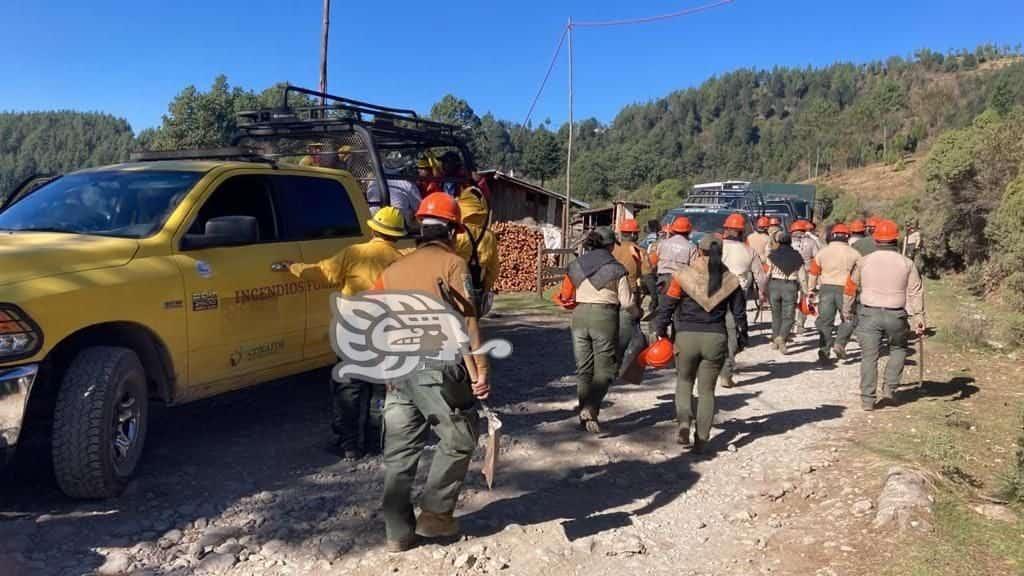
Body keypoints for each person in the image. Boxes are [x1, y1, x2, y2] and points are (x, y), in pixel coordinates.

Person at [371, 192, 490, 552]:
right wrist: (480, 371)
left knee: (400, 453)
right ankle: (435, 517)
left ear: (420, 228)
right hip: (436, 364)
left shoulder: (391, 270)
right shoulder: (453, 265)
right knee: (459, 438)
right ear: (453, 231)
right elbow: (468, 320)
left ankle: (397, 533)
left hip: (397, 368)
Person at [288, 207, 407, 459]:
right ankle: (377, 441)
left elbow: (322, 273)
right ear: (397, 235)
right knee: (380, 390)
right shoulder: (402, 260)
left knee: (349, 388)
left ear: (373, 228)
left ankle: (349, 444)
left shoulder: (355, 253)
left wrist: (293, 266)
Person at [655, 235, 748, 454]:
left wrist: (661, 329)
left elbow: (667, 306)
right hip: (715, 338)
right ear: (721, 252)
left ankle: (684, 423)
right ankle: (703, 439)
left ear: (698, 251)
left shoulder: (682, 276)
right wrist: (743, 337)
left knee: (684, 382)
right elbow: (739, 314)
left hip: (686, 336)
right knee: (707, 391)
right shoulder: (730, 280)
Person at [554, 227, 637, 434]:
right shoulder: (617, 269)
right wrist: (637, 311)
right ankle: (591, 407)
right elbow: (626, 302)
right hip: (604, 317)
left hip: (579, 316)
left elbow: (566, 295)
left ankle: (585, 416)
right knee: (606, 369)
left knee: (584, 369)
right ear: (610, 246)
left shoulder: (576, 265)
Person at [843, 219, 925, 411]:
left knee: (869, 357)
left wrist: (847, 310)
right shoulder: (907, 263)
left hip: (869, 314)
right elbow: (915, 291)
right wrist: (919, 318)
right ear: (896, 239)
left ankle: (867, 400)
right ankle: (890, 388)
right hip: (896, 315)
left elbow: (850, 288)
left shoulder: (864, 261)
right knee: (898, 349)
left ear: (876, 240)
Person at [719, 213, 766, 387]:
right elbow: (760, 276)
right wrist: (762, 293)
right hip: (736, 294)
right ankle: (726, 371)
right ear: (741, 232)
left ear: (726, 230)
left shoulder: (717, 247)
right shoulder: (749, 251)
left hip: (713, 293)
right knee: (734, 333)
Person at [807, 223, 861, 363]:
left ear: (832, 236)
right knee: (849, 318)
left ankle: (824, 351)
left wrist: (811, 290)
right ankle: (840, 343)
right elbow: (859, 274)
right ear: (847, 237)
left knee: (825, 322)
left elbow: (813, 273)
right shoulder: (854, 253)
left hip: (826, 289)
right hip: (846, 289)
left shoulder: (822, 252)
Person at [454, 186, 499, 315]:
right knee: (472, 325)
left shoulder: (456, 234)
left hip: (455, 287)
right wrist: (486, 287)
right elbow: (494, 269)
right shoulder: (489, 236)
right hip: (477, 288)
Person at [611, 219, 649, 369]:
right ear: (633, 234)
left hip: (610, 292)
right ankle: (624, 361)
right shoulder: (639, 251)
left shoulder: (611, 249)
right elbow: (647, 276)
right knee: (629, 327)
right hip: (630, 293)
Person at [765, 231, 806, 354]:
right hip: (790, 286)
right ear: (790, 242)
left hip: (774, 285)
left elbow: (767, 272)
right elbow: (802, 275)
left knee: (776, 315)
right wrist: (806, 290)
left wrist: (762, 289)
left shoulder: (772, 255)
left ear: (778, 242)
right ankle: (782, 337)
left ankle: (775, 340)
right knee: (788, 316)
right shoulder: (797, 256)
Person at [656, 216, 697, 304]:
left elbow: (656, 259)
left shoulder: (663, 243)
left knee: (663, 311)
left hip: (663, 280)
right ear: (689, 231)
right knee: (678, 312)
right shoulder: (691, 247)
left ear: (673, 230)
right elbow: (693, 267)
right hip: (680, 281)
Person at [791, 220, 819, 334]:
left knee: (790, 299)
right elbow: (817, 257)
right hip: (806, 273)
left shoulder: (789, 242)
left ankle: (789, 323)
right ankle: (800, 325)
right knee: (804, 299)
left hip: (791, 273)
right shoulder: (811, 242)